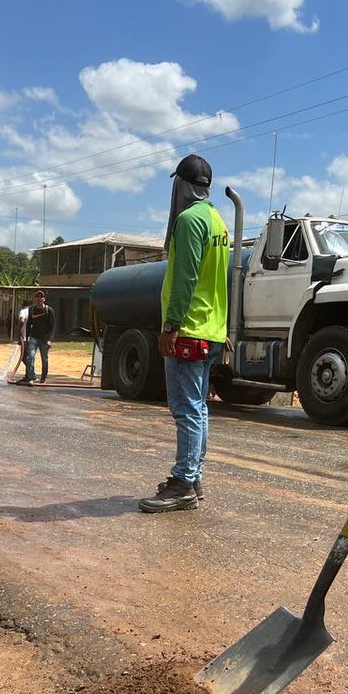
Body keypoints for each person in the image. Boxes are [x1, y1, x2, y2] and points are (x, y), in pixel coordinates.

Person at [137, 154, 229, 513]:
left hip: (189, 329)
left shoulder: (190, 221)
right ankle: (194, 476)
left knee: (186, 408)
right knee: (199, 408)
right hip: (212, 329)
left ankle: (183, 483)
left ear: (182, 185)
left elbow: (186, 277)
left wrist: (171, 324)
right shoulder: (216, 220)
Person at [21, 291, 56, 384]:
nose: (39, 299)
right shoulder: (31, 309)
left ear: (44, 299)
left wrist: (49, 340)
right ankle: (30, 377)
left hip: (44, 339)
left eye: (41, 297)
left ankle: (43, 378)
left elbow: (52, 327)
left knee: (44, 358)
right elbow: (28, 325)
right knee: (30, 357)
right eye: (37, 297)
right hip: (33, 337)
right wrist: (26, 338)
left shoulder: (49, 310)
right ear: (35, 299)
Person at [17, 299, 32, 381]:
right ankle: (28, 375)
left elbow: (22, 320)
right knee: (29, 357)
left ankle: (31, 374)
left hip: (25, 338)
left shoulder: (23, 311)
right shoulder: (32, 311)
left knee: (23, 357)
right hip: (32, 338)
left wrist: (19, 333)